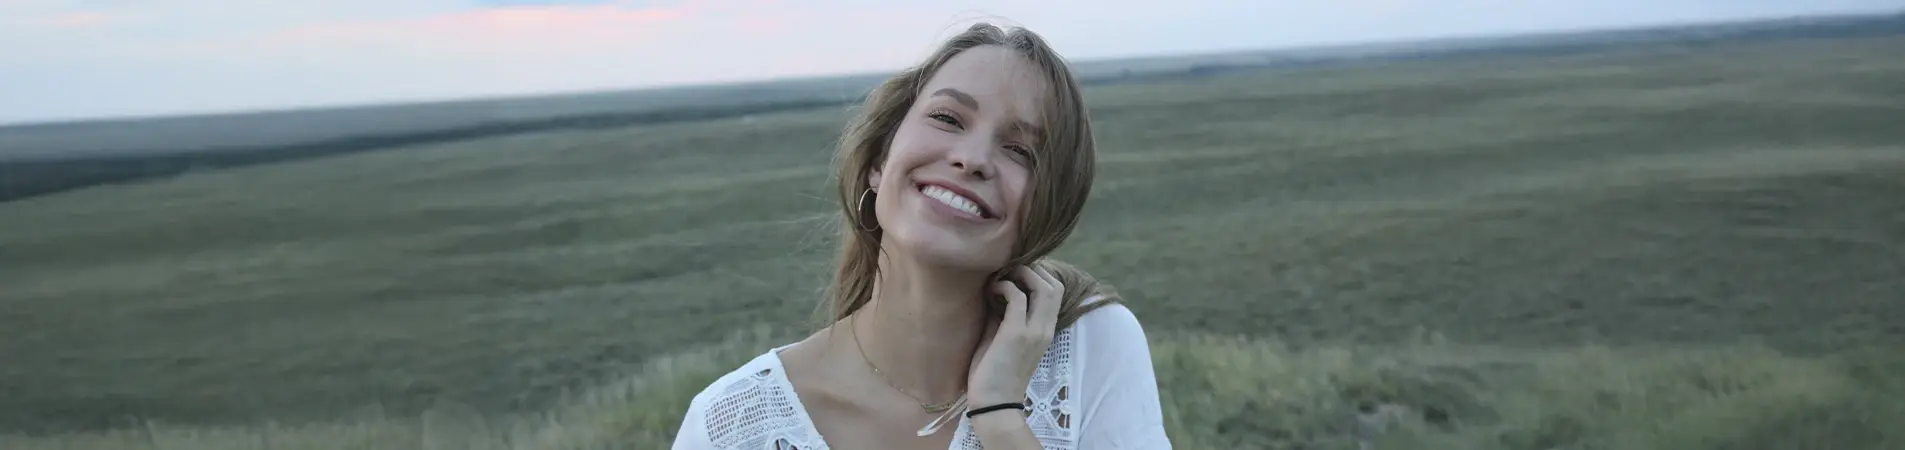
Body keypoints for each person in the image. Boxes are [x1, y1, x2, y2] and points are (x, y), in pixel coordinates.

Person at [671, 22, 1171, 450]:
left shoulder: (1087, 347)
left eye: (1021, 152)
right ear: (878, 160)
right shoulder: (731, 427)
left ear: (1047, 212)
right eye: (948, 118)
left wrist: (1000, 419)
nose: (972, 158)